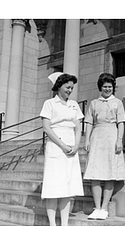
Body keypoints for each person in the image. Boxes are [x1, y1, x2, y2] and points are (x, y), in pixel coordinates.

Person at [39, 72, 84, 226]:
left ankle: (64, 224)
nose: (70, 90)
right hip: (56, 146)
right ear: (59, 86)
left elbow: (78, 127)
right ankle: (53, 224)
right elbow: (46, 128)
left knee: (67, 186)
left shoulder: (74, 105)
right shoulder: (49, 103)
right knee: (53, 186)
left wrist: (76, 145)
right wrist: (63, 146)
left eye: (72, 88)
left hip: (72, 148)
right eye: (67, 87)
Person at [83, 72, 125, 220]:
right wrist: (87, 140)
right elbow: (89, 122)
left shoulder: (118, 103)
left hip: (112, 136)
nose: (107, 89)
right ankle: (97, 208)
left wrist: (119, 140)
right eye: (105, 87)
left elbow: (121, 122)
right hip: (97, 136)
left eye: (110, 87)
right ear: (100, 88)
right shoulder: (94, 103)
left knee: (110, 173)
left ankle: (104, 207)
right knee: (95, 173)